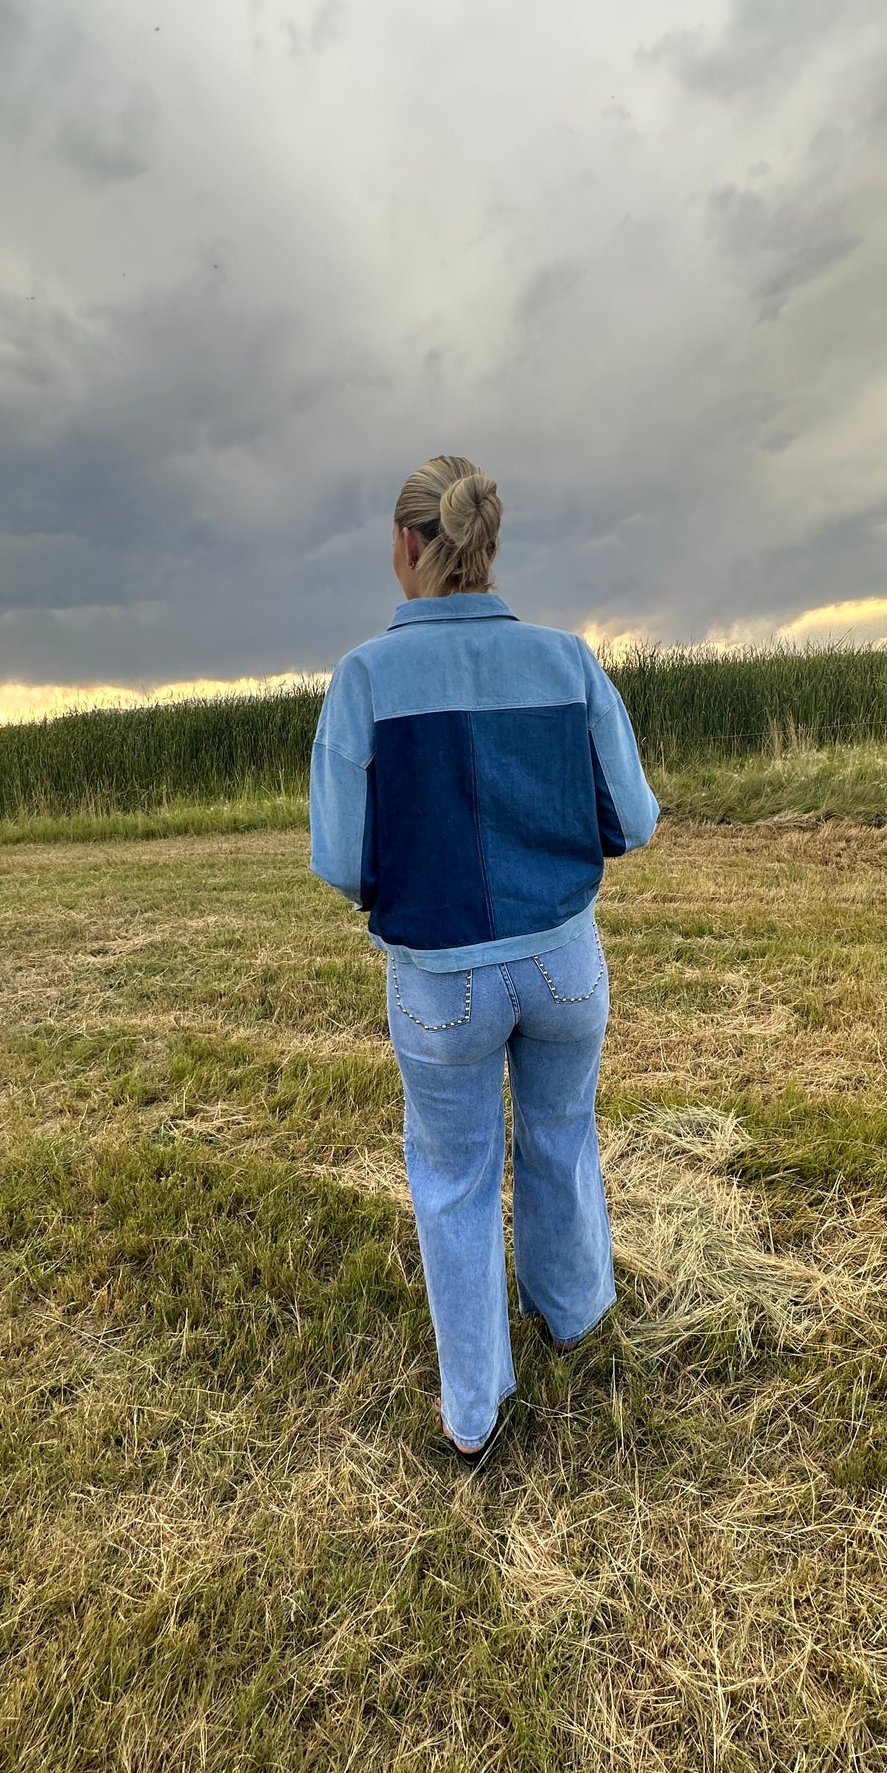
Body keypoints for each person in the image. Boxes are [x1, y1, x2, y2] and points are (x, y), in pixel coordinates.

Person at [308, 454, 660, 1464]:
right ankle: (574, 1313)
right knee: (560, 1134)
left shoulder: (362, 678)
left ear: (405, 546)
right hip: (562, 964)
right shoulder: (567, 661)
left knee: (454, 1178)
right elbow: (630, 821)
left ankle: (473, 1410)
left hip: (438, 980)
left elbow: (337, 860)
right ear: (489, 546)